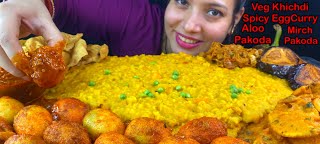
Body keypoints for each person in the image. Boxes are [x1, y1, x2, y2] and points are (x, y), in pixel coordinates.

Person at [0, 0, 245, 79]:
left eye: (214, 12)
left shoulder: (249, 69)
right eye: (182, 1)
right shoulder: (136, 18)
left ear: (235, 20)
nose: (191, 26)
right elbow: (63, 6)